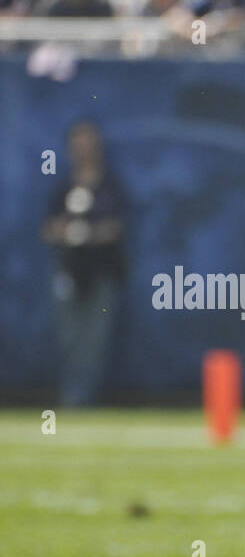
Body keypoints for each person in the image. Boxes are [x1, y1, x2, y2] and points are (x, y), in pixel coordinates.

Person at [41, 120, 129, 407]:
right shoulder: (63, 186)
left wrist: (89, 234)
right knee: (69, 341)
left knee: (94, 343)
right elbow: (47, 228)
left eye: (88, 143)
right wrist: (68, 230)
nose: (84, 149)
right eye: (78, 143)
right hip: (70, 271)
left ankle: (83, 399)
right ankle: (71, 398)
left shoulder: (110, 185)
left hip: (102, 272)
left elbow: (118, 226)